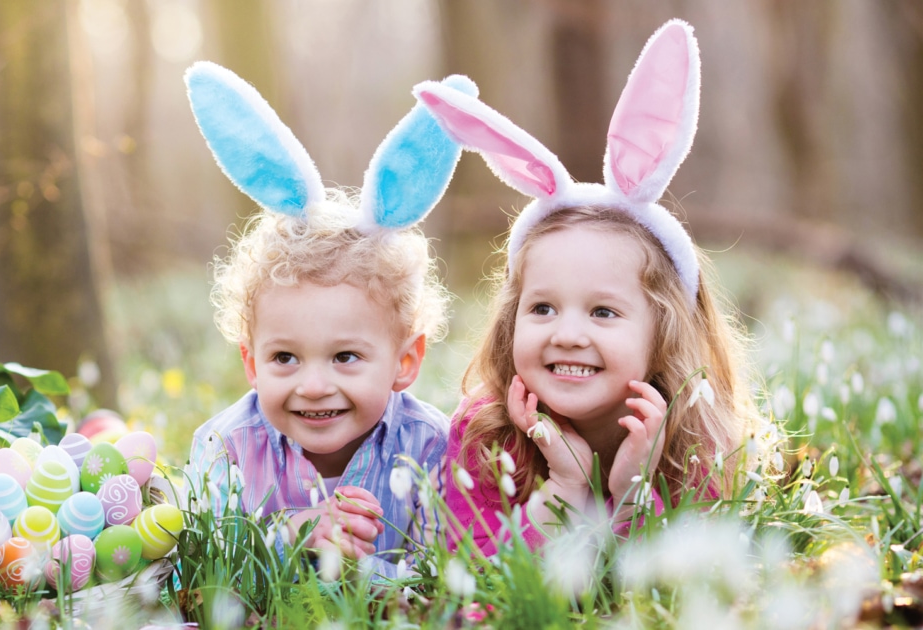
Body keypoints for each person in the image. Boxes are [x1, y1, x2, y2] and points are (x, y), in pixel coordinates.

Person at [414, 19, 759, 555]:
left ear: (664, 333)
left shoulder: (699, 438)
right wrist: (566, 489)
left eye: (603, 312)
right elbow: (478, 573)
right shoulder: (484, 433)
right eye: (543, 308)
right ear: (511, 322)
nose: (568, 334)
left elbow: (675, 584)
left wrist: (631, 494)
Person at [183, 61, 477, 574]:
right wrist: (294, 534)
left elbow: (443, 575)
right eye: (284, 358)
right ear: (251, 363)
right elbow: (204, 569)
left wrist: (360, 573)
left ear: (405, 361)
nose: (313, 385)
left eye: (345, 356)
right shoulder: (225, 446)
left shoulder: (431, 444)